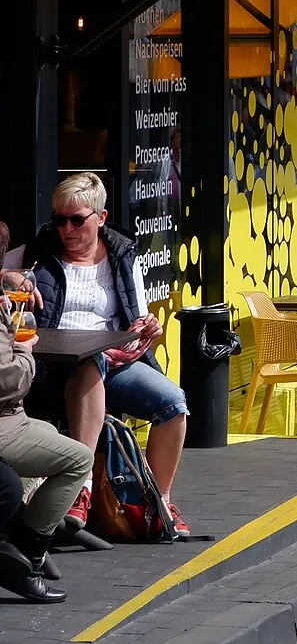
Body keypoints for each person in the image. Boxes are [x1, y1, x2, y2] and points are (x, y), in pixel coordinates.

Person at [24, 173, 189, 534]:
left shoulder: (123, 257)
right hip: (57, 367)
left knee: (173, 403)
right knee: (92, 358)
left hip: (116, 362)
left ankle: (157, 503)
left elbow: (138, 316)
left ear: (100, 217)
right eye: (59, 220)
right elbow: (7, 277)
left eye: (77, 220)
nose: (67, 229)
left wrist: (148, 329)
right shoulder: (39, 254)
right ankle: (80, 489)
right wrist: (10, 278)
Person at [0, 267, 90, 602]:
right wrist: (25, 348)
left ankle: (15, 539)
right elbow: (8, 382)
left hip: (11, 416)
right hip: (4, 421)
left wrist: (12, 288)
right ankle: (27, 556)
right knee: (79, 458)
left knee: (49, 431)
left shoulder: (6, 300)